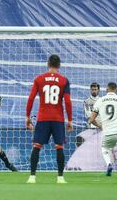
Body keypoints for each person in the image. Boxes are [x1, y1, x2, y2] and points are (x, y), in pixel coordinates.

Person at [26, 54, 73, 184]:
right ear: (59, 65)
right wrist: (70, 120)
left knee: (37, 147)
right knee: (59, 147)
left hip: (43, 118)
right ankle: (60, 178)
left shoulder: (39, 79)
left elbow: (30, 98)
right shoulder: (64, 80)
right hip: (58, 119)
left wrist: (27, 117)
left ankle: (32, 177)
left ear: (48, 64)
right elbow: (68, 101)